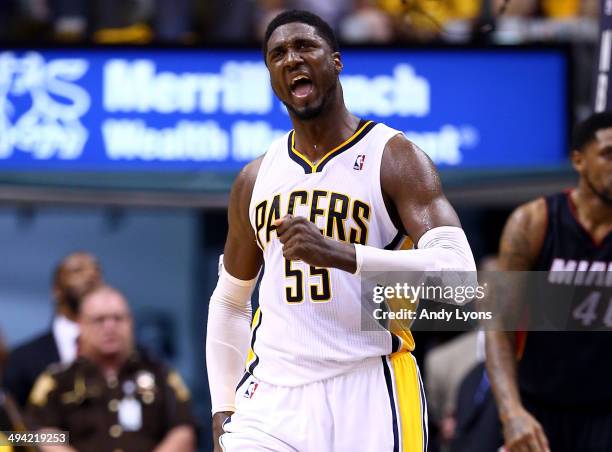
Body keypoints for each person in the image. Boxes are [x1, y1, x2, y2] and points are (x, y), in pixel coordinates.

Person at [206, 9, 476, 452]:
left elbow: (460, 278)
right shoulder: (255, 178)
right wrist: (223, 406)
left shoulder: (394, 157)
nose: (291, 59)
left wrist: (342, 253)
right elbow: (231, 302)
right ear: (271, 76)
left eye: (305, 47)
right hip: (275, 394)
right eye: (277, 54)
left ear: (335, 60)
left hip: (369, 382)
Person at [486, 112, 612, 452]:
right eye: (608, 154)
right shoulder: (534, 222)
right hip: (539, 409)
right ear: (578, 160)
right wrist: (511, 412)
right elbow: (499, 326)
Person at [27, 285, 197, 452]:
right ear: (80, 325)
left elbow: (184, 430)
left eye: (118, 318)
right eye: (99, 320)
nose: (110, 327)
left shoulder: (160, 374)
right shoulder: (58, 379)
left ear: (130, 322)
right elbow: (36, 432)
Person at [3, 251, 103, 408]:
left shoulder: (130, 359)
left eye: (96, 272)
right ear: (56, 290)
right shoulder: (20, 360)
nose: (91, 276)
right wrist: (50, 435)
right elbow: (7, 430)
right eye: (78, 271)